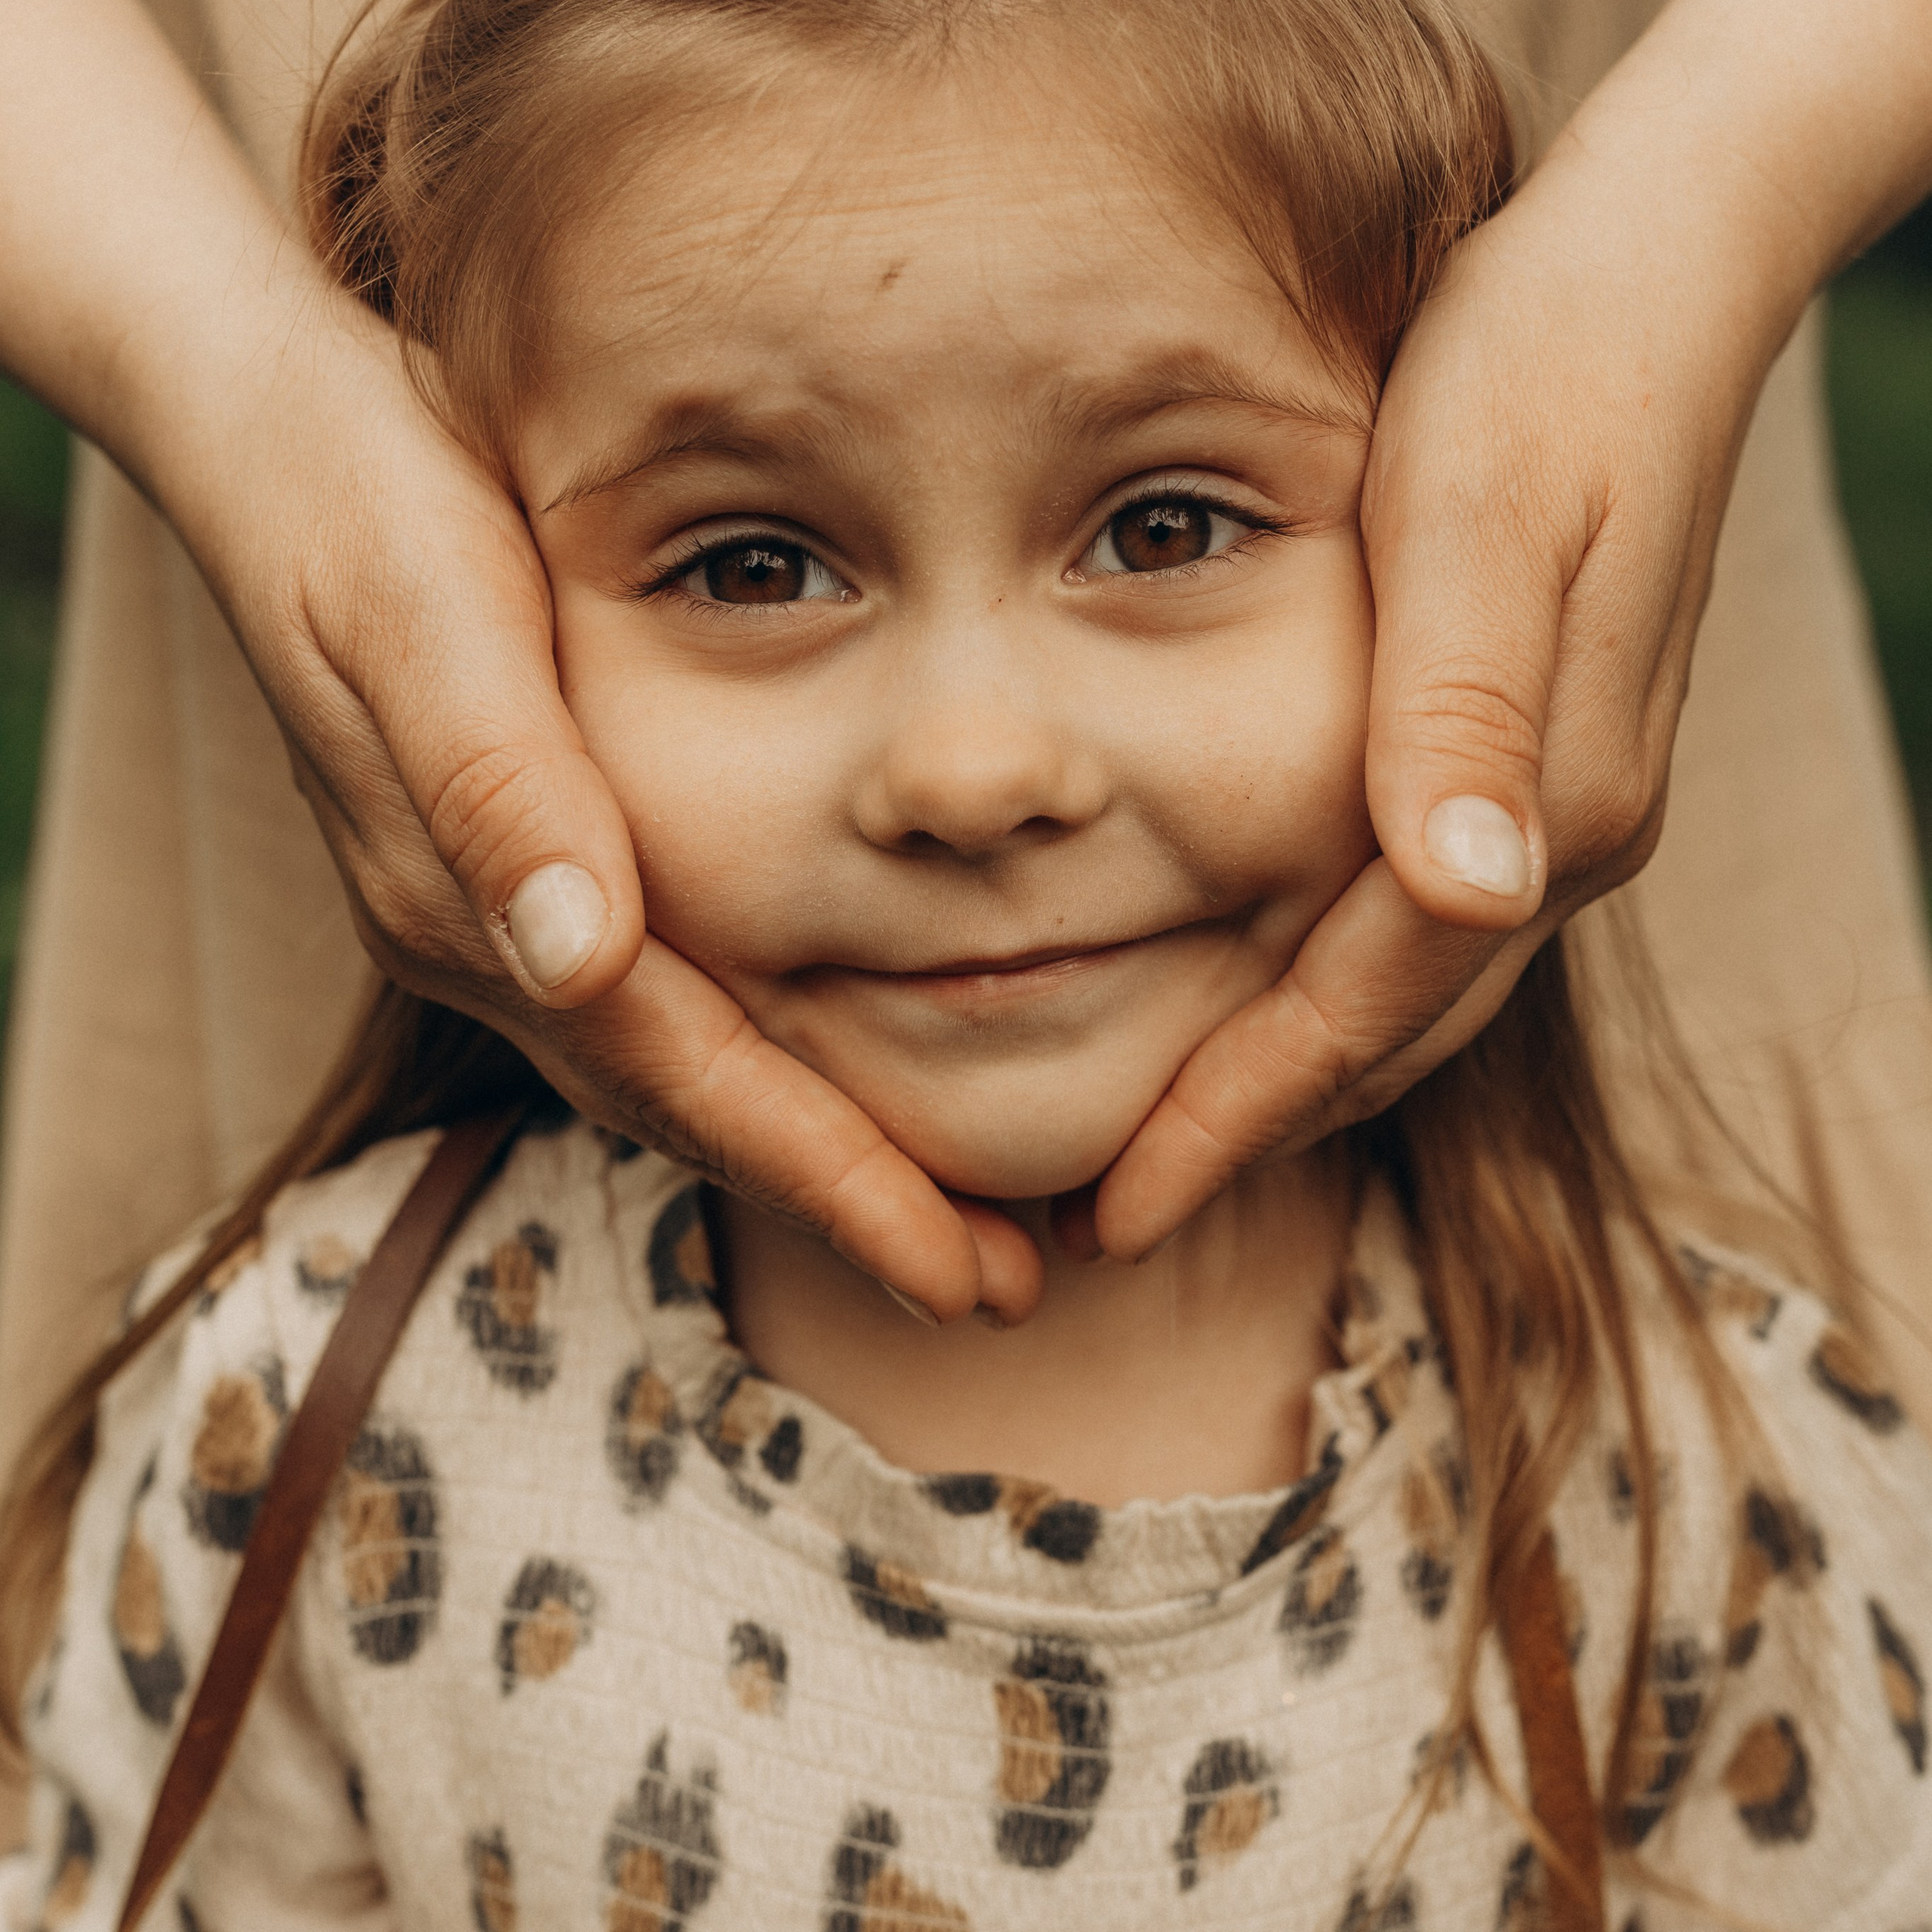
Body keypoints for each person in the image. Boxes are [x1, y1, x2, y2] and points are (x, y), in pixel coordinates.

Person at [6, 4, 1932, 1924]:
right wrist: (214, 361)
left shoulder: (1699, 1487)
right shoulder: (325, 1418)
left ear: (1444, 495)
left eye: (1163, 523)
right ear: (492, 575)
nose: (972, 768)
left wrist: (1725, 174)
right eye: (754, 563)